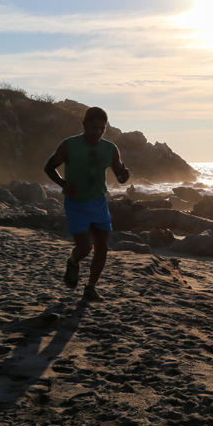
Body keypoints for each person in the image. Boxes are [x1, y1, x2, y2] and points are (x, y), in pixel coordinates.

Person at [44, 107, 130, 301]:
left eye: (102, 128)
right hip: (76, 204)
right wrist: (64, 185)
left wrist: (124, 176)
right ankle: (73, 262)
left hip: (99, 203)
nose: (98, 132)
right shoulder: (69, 145)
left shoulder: (110, 149)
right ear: (84, 125)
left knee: (102, 248)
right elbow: (49, 167)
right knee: (84, 248)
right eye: (94, 128)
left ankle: (90, 287)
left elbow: (119, 175)